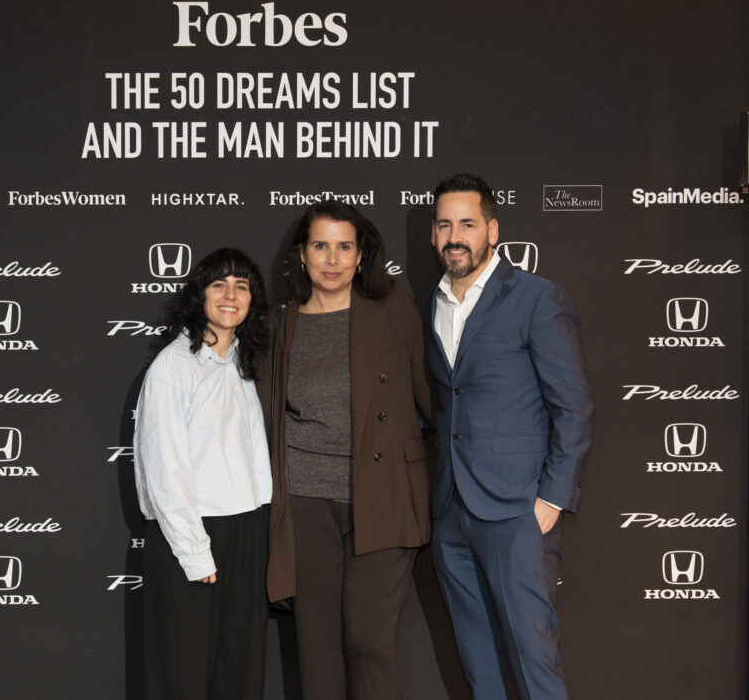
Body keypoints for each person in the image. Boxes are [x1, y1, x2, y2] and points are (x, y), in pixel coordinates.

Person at [423, 173, 593, 699]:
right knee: (480, 664)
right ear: (433, 234)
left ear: (492, 231)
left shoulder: (537, 298)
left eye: (467, 224)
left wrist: (551, 499)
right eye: (444, 225)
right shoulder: (431, 303)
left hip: (518, 511)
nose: (455, 236)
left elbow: (573, 406)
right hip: (450, 510)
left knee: (534, 659)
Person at [257, 200, 433, 700]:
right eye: (320, 246)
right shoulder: (279, 323)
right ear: (302, 254)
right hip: (306, 504)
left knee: (367, 642)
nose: (332, 259)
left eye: (344, 247)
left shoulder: (393, 307)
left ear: (361, 256)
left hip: (385, 495)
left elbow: (430, 394)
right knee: (317, 649)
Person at [133, 248, 272, 700]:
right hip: (193, 537)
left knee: (241, 672)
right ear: (200, 295)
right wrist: (195, 552)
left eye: (241, 286)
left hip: (248, 531)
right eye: (219, 285)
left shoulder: (246, 364)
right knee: (184, 675)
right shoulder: (173, 367)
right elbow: (164, 470)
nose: (231, 295)